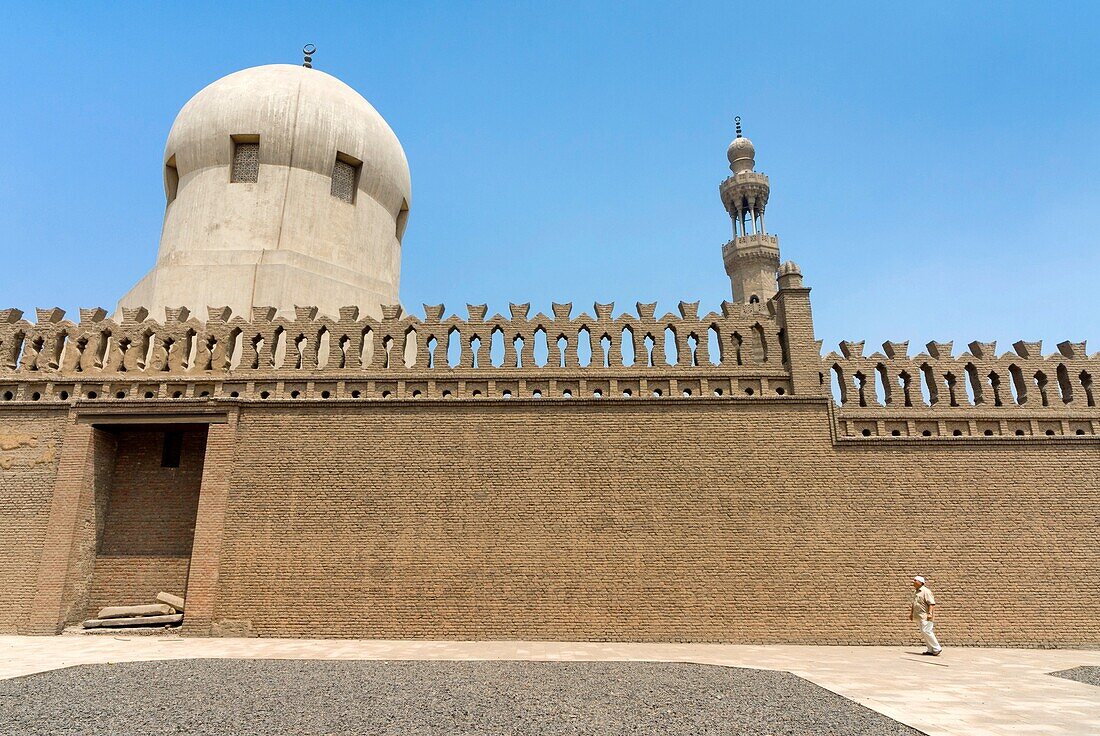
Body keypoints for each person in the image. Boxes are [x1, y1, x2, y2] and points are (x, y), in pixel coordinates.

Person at [909, 575, 942, 655]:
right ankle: (930, 649)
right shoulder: (916, 592)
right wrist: (911, 613)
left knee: (927, 631)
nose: (913, 582)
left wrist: (930, 613)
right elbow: (914, 603)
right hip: (918, 616)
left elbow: (931, 603)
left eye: (915, 580)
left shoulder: (926, 591)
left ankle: (937, 648)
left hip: (925, 616)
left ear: (920, 582)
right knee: (923, 632)